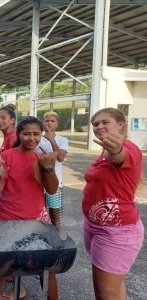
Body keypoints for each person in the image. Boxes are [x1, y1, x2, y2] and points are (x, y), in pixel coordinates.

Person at [0, 116, 59, 300]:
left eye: (36, 134)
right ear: (18, 134)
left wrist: (49, 168)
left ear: (41, 136)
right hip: (7, 221)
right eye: (26, 133)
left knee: (46, 272)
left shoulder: (42, 158)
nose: (31, 138)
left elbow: (52, 190)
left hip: (37, 223)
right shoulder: (6, 156)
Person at [82, 107, 144, 300]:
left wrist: (116, 148)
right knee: (114, 287)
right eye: (95, 124)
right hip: (97, 226)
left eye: (104, 122)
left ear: (120, 125)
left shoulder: (129, 148)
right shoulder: (103, 152)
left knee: (104, 294)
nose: (99, 126)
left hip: (115, 231)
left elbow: (117, 155)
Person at [36, 111, 68, 229]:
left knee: (54, 214)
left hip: (55, 181)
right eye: (47, 120)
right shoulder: (37, 138)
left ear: (57, 124)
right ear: (43, 123)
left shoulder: (62, 140)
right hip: (37, 181)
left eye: (52, 121)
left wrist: (52, 140)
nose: (49, 123)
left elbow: (60, 158)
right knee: (38, 212)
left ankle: (57, 238)